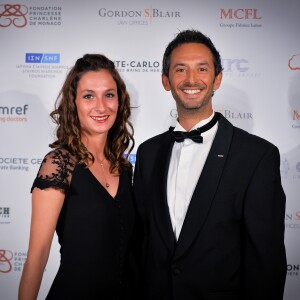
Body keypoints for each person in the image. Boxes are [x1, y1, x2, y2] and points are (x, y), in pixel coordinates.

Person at [133, 29, 287, 300]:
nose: (191, 79)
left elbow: (266, 262)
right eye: (180, 70)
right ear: (165, 81)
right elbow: (140, 244)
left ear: (217, 79)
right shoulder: (148, 153)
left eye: (202, 69)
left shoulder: (257, 156)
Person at [18, 54, 136, 300]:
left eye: (109, 95)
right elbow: (37, 256)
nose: (101, 106)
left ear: (120, 101)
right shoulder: (59, 163)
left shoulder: (124, 167)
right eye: (88, 96)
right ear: (73, 103)